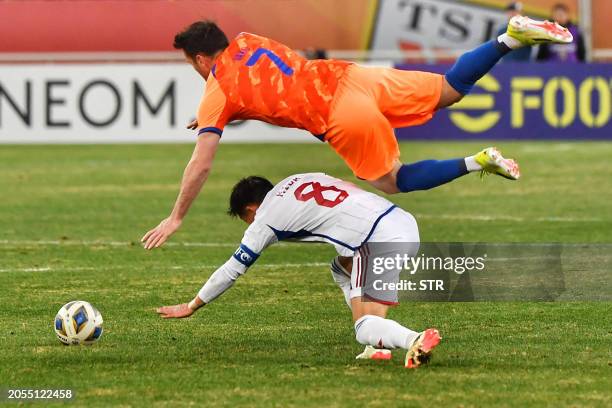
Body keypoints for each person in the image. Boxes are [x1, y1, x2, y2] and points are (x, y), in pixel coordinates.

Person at [141, 15, 572, 250]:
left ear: (200, 59)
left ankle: (476, 161)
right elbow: (268, 91)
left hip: (338, 115)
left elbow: (202, 162)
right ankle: (509, 39)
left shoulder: (216, 89)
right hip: (352, 77)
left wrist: (176, 216)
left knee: (393, 180)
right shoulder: (249, 39)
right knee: (447, 90)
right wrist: (223, 115)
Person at [155, 172, 441, 368]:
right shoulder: (299, 179)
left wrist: (192, 305)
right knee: (341, 269)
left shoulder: (264, 219)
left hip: (378, 241)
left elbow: (232, 270)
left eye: (245, 219)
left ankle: (413, 339)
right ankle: (377, 348)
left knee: (364, 327)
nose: (248, 224)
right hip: (400, 220)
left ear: (251, 209)